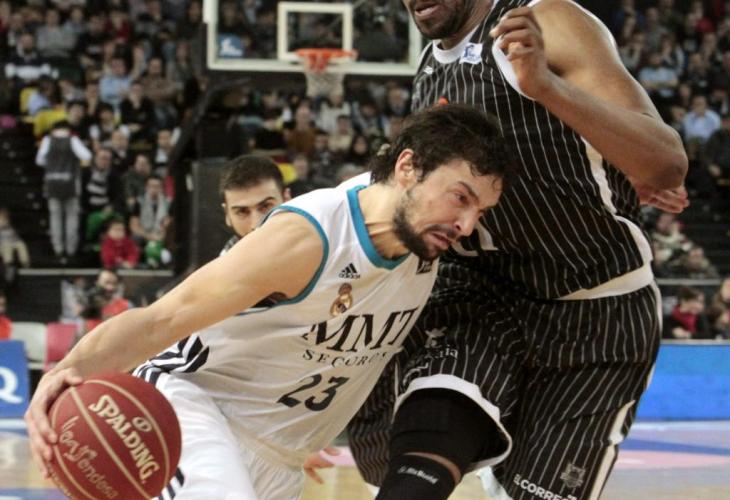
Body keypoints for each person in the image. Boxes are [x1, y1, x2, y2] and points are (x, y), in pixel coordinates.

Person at [24, 104, 510, 499]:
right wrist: (64, 372)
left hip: (282, 455)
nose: (467, 225)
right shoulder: (308, 238)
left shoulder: (420, 244)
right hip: (199, 411)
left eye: (481, 210)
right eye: (460, 198)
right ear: (407, 168)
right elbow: (160, 320)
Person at [346, 2, 689, 500]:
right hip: (481, 298)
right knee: (419, 460)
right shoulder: (429, 65)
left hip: (595, 313)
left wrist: (547, 88)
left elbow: (667, 163)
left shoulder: (547, 19)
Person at [218, 155, 291, 254]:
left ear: (287, 199)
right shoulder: (225, 260)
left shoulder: (312, 243)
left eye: (265, 206)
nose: (256, 224)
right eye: (242, 211)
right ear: (227, 214)